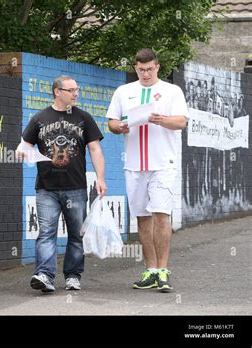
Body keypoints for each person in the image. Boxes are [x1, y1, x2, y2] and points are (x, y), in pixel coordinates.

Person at [107, 48, 188, 292]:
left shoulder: (172, 91)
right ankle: (151, 270)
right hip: (134, 165)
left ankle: (163, 270)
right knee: (142, 217)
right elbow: (111, 122)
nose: (145, 74)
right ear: (135, 68)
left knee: (161, 214)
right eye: (141, 70)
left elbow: (182, 122)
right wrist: (119, 127)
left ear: (157, 67)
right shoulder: (124, 91)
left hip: (163, 163)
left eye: (150, 69)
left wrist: (160, 119)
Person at [18, 75, 107, 292]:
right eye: (71, 90)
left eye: (77, 89)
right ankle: (45, 275)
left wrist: (101, 178)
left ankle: (73, 275)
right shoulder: (40, 118)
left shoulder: (84, 118)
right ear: (57, 92)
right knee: (46, 233)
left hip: (76, 187)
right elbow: (24, 146)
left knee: (77, 234)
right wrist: (21, 152)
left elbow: (95, 149)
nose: (76, 93)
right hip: (46, 188)